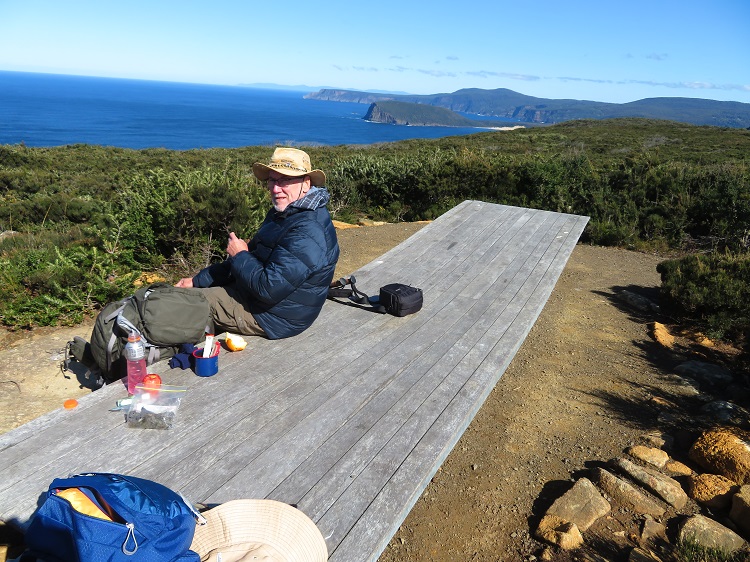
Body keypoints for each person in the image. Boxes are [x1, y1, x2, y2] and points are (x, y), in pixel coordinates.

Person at [175, 147, 339, 339]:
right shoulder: (286, 213)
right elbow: (255, 261)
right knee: (187, 297)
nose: (276, 189)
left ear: (306, 183)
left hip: (275, 317)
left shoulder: (308, 230)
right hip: (263, 301)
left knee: (183, 303)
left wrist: (240, 255)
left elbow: (268, 289)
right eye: (272, 180)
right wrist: (197, 281)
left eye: (285, 180)